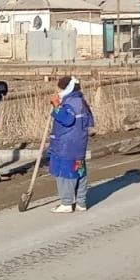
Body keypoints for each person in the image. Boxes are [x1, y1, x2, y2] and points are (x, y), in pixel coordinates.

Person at [49, 76, 94, 213]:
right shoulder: (81, 101)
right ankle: (81, 202)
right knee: (79, 171)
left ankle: (67, 203)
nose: (59, 91)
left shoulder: (70, 103)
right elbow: (90, 121)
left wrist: (56, 107)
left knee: (65, 172)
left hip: (66, 144)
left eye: (61, 88)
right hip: (79, 143)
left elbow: (67, 119)